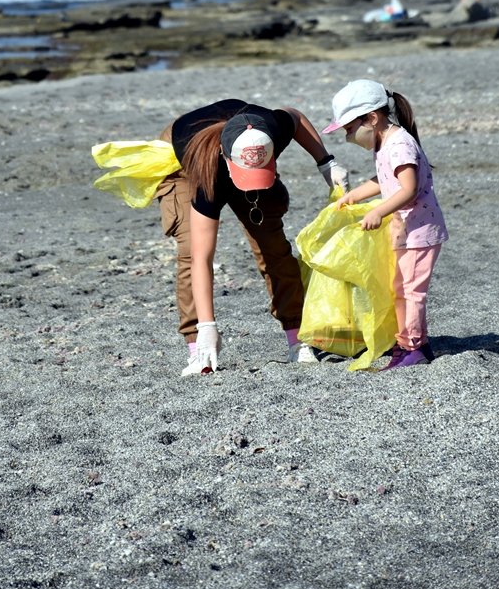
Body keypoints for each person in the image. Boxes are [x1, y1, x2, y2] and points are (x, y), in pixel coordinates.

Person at [155, 99, 348, 375]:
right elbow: (202, 258)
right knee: (190, 249)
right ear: (225, 155)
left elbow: (294, 117)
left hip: (243, 150)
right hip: (185, 164)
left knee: (271, 243)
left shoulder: (270, 128)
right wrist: (208, 326)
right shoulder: (205, 170)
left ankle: (297, 338)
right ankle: (199, 348)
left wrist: (326, 163)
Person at [323, 80, 448, 369]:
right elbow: (385, 180)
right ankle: (418, 342)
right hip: (405, 229)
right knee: (399, 288)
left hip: (420, 231)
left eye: (350, 129)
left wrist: (379, 211)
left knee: (410, 290)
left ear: (372, 118)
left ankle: (411, 347)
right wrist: (354, 195)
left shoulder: (399, 143)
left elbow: (408, 188)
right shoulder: (386, 142)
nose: (348, 137)